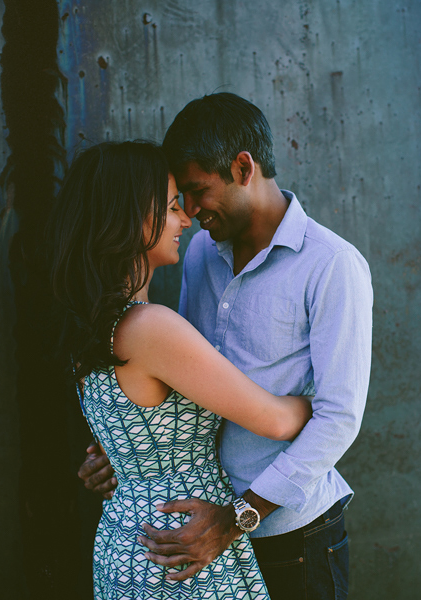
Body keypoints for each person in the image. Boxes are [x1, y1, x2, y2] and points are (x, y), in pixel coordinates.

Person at [79, 93, 374, 600]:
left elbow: (340, 419)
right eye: (179, 202)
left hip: (290, 535)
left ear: (243, 167)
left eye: (196, 191)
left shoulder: (331, 266)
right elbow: (184, 382)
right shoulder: (199, 254)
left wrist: (239, 517)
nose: (190, 212)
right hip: (200, 537)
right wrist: (131, 451)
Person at [48, 140, 313, 599]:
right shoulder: (150, 327)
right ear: (130, 218)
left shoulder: (94, 324)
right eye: (172, 206)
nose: (186, 220)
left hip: (129, 545)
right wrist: (328, 403)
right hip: (180, 555)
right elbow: (275, 419)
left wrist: (113, 458)